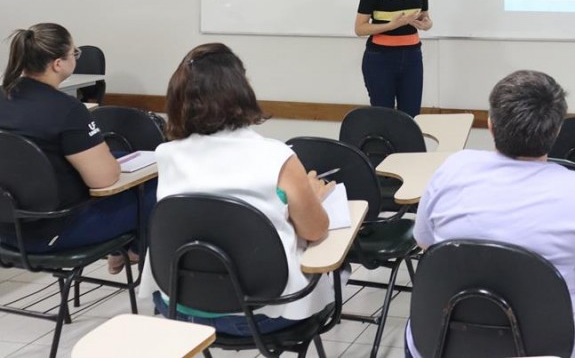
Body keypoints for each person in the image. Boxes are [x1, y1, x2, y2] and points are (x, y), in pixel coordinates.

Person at [405, 70, 575, 358]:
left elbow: (426, 243)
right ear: (557, 131)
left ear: (490, 126)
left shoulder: (452, 169)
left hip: (439, 346)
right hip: (548, 351)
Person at [145, 42, 337, 335]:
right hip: (264, 313)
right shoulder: (277, 157)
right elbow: (315, 231)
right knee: (338, 263)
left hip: (177, 306)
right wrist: (313, 196)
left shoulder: (167, 154)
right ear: (241, 91)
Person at [0, 23, 151, 274]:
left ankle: (123, 252)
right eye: (74, 53)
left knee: (120, 158)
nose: (76, 58)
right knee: (153, 189)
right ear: (58, 64)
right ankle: (132, 252)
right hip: (52, 233)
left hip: (5, 228)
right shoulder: (68, 110)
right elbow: (104, 180)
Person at [354, 0, 431, 117]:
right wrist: (392, 25)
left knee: (411, 119)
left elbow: (426, 18)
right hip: (380, 59)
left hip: (413, 58)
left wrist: (426, 24)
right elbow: (360, 28)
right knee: (384, 120)